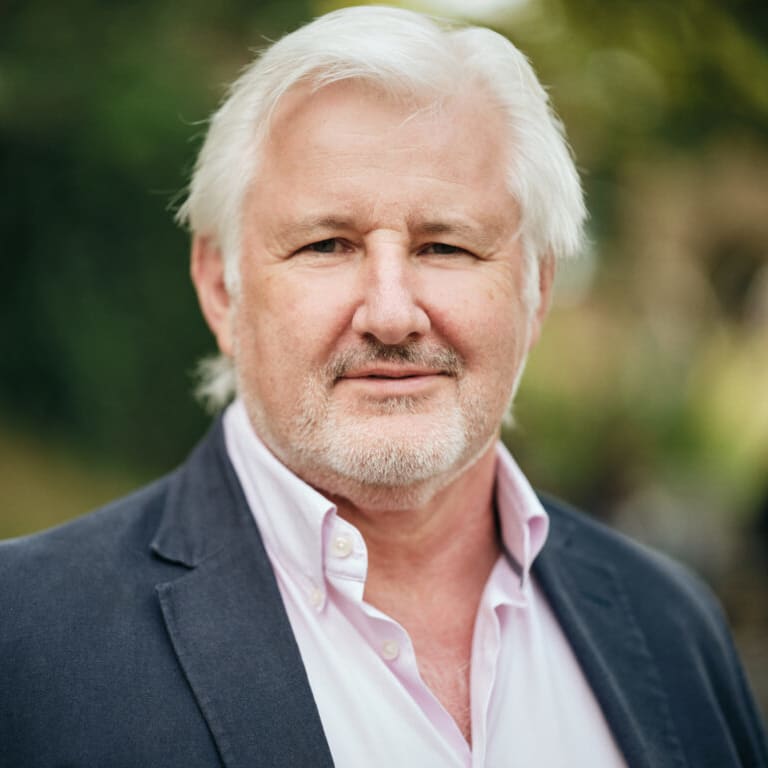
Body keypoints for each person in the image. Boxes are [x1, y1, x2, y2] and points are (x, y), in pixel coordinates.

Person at [1, 6, 765, 767]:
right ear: (221, 287)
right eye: (327, 244)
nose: (392, 314)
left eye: (446, 246)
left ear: (536, 289)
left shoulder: (673, 628)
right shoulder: (26, 640)